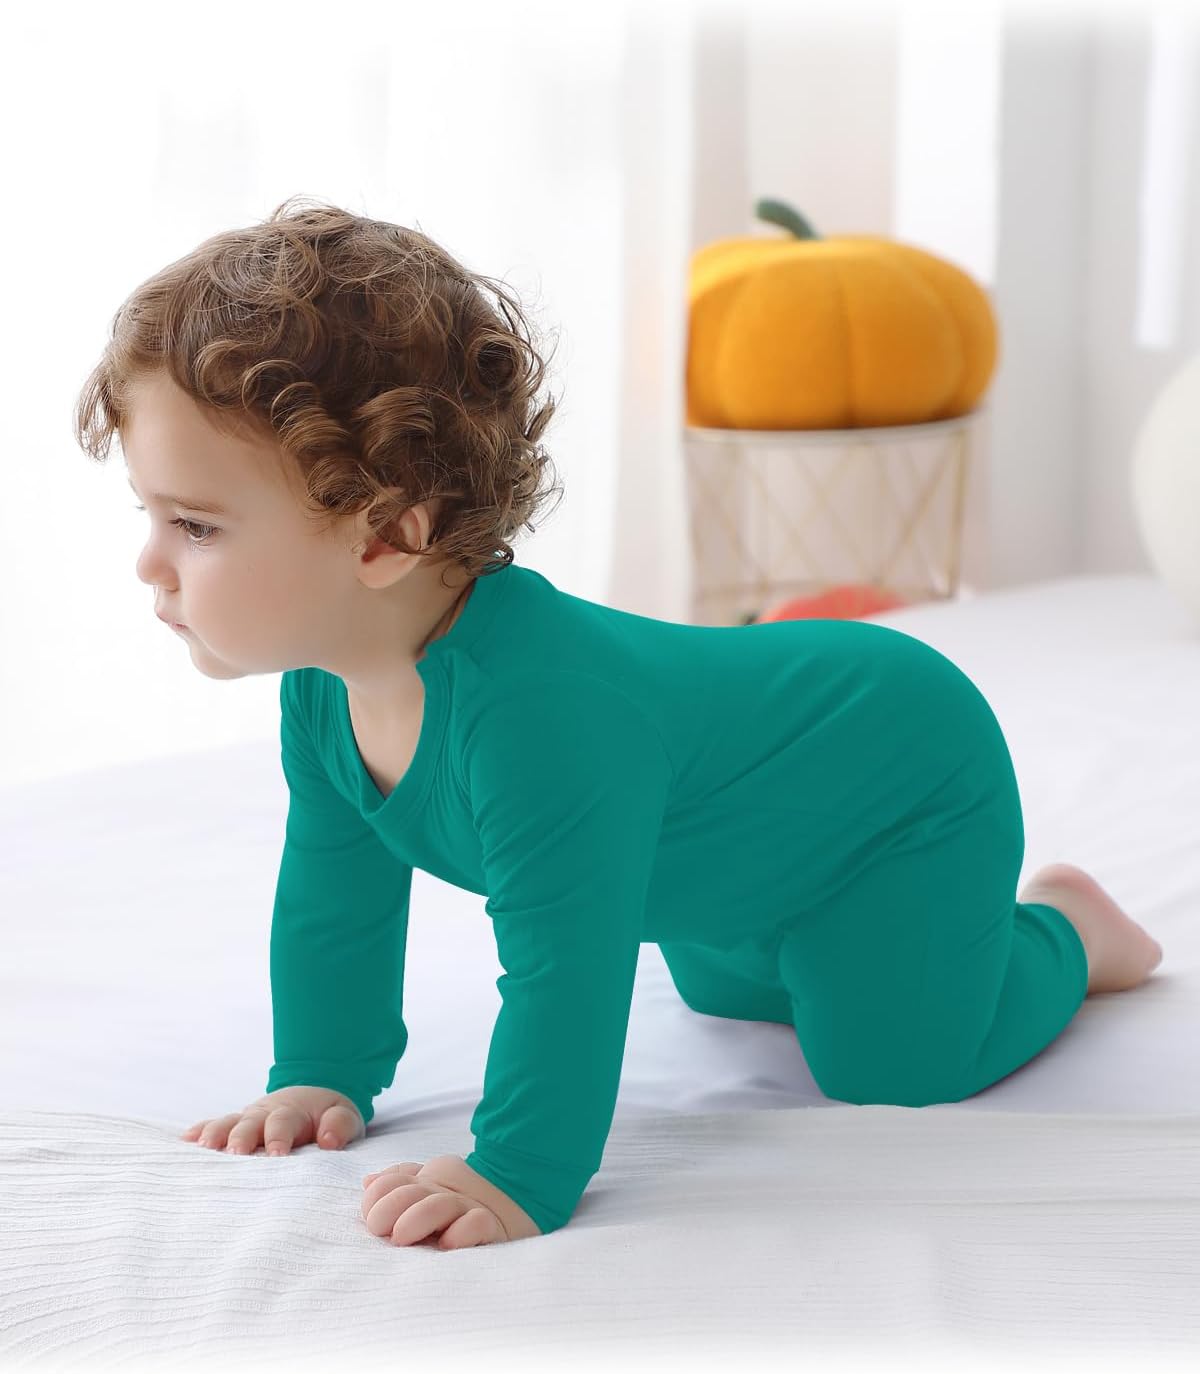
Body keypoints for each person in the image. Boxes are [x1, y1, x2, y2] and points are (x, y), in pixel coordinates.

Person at [73, 197, 1164, 1250]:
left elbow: (567, 969)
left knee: (892, 1068)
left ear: (385, 536)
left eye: (196, 526)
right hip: (742, 839)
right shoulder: (323, 688)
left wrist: (519, 1169)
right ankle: (823, 932)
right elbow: (335, 895)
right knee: (721, 982)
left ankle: (1066, 929)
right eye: (151, 514)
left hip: (898, 774)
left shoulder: (537, 723)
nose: (148, 564)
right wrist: (321, 1072)